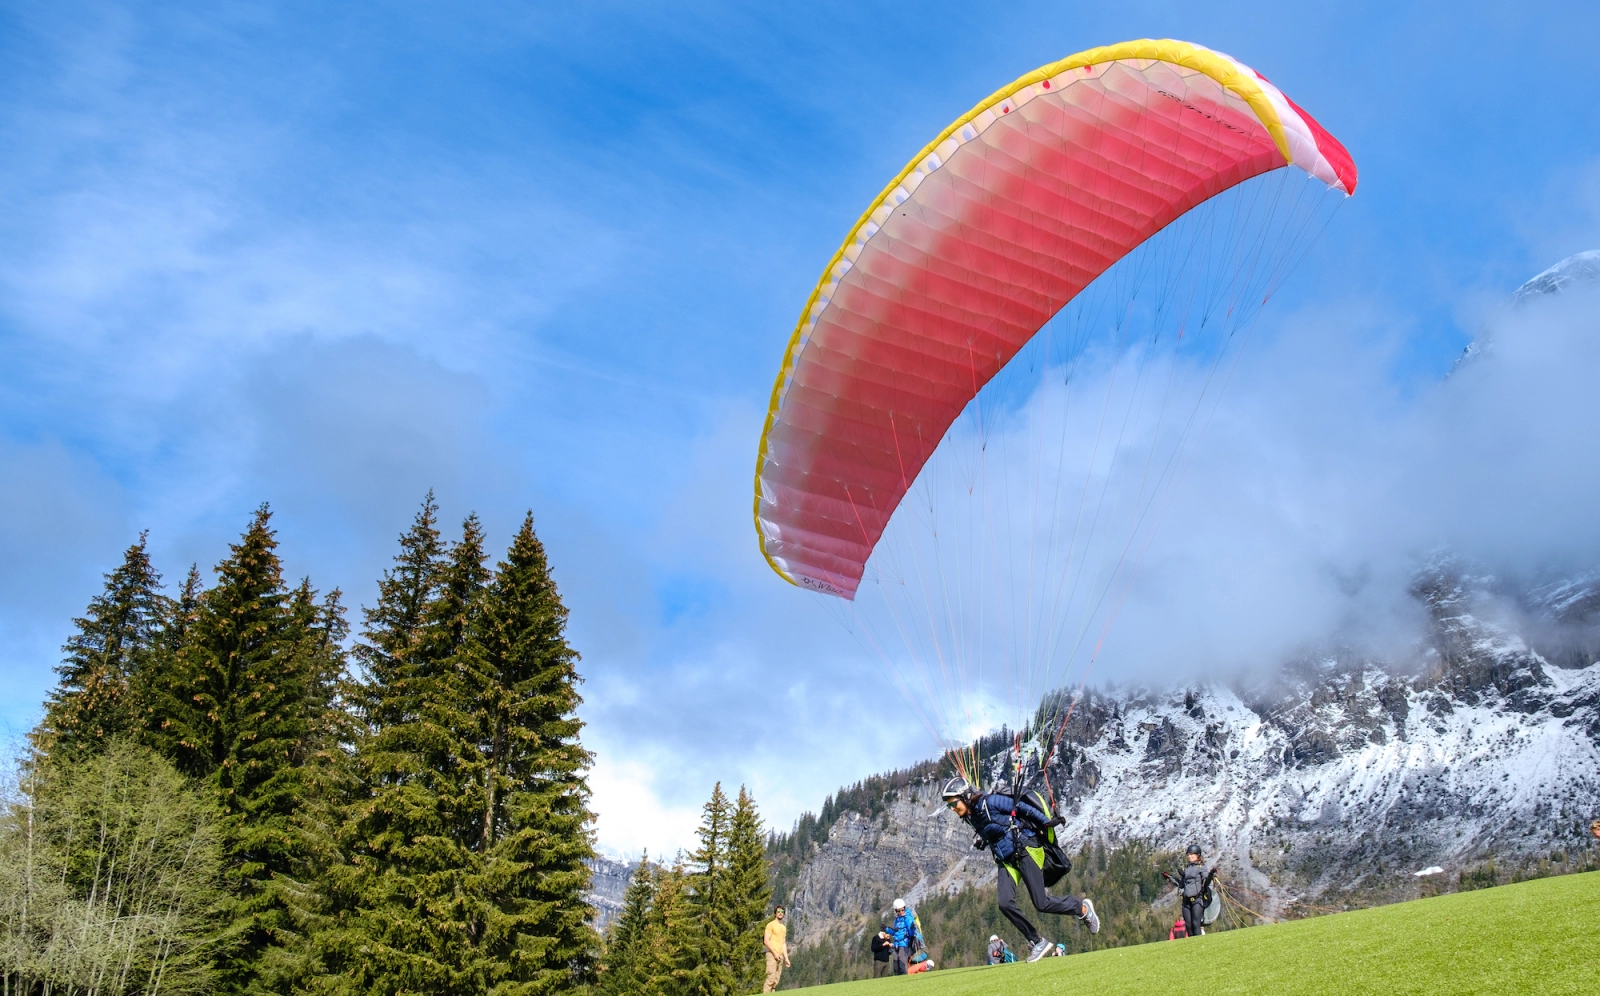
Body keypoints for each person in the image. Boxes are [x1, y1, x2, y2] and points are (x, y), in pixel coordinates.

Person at [941, 777, 1099, 963]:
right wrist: (982, 841)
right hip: (1005, 859)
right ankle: (1037, 941)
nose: (951, 808)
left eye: (953, 803)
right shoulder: (971, 817)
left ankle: (1082, 909)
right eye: (948, 805)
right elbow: (995, 828)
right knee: (1004, 903)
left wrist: (1047, 822)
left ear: (965, 796)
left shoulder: (990, 802)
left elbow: (1022, 809)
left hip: (1025, 849)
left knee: (1042, 903)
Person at [1163, 844, 1217, 939]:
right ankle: (1192, 947)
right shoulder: (1187, 869)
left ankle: (1199, 946)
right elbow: (1181, 885)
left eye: (1192, 854)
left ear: (1198, 855)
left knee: (1196, 924)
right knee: (1188, 925)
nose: (1190, 856)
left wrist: (1211, 875)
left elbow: (1206, 882)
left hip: (1197, 900)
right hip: (1186, 901)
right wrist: (1170, 877)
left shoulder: (1202, 867)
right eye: (1189, 854)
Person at [890, 898, 922, 975]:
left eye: (902, 910)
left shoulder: (907, 917)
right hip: (896, 944)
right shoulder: (896, 920)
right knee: (895, 965)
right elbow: (895, 933)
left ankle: (905, 980)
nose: (901, 912)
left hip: (904, 944)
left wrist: (912, 929)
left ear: (904, 908)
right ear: (896, 911)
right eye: (899, 911)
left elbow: (911, 933)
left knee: (902, 963)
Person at [763, 906, 790, 992]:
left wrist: (786, 958)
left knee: (775, 981)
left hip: (780, 956)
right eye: (778, 911)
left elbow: (783, 943)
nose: (780, 913)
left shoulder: (783, 927)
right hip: (771, 954)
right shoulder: (770, 925)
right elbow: (766, 941)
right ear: (775, 913)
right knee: (770, 979)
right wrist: (774, 953)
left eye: (782, 911)